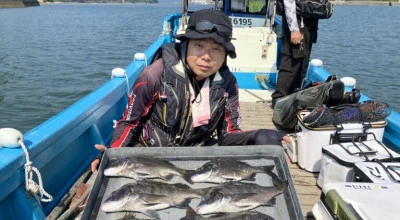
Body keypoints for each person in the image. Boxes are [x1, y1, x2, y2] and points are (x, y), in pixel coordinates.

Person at [91, 9, 290, 172]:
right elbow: (129, 123)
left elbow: (228, 135)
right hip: (150, 156)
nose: (206, 56)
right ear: (185, 45)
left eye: (216, 49)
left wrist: (256, 137)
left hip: (196, 158)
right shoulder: (154, 75)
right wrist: (112, 154)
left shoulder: (227, 84)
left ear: (225, 54)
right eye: (199, 46)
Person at [271, 0, 318, 108]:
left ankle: (294, 97)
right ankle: (278, 99)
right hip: (297, 27)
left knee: (302, 66)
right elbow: (289, 3)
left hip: (309, 27)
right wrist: (294, 29)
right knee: (290, 65)